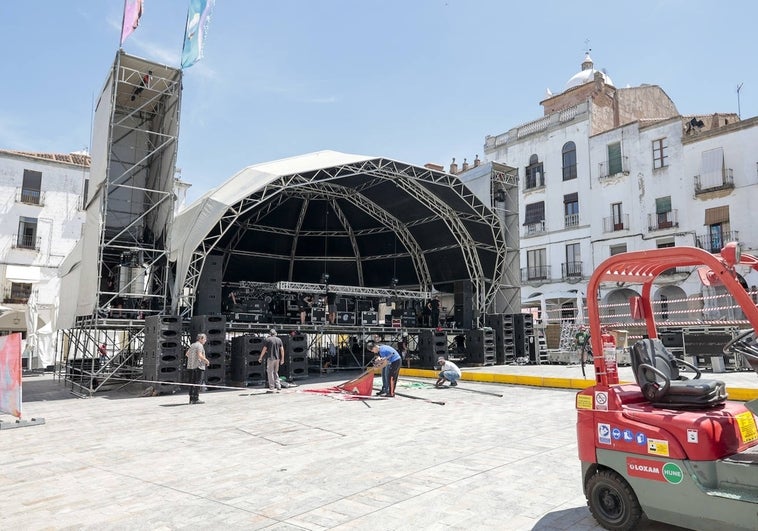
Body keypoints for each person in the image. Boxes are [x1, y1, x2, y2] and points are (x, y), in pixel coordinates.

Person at [185, 333, 209, 404]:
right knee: (198, 382)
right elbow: (199, 355)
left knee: (192, 382)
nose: (205, 341)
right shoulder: (200, 345)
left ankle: (191, 398)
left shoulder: (192, 345)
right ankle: (196, 398)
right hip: (198, 367)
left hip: (191, 366)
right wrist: (206, 361)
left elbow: (187, 354)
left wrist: (193, 359)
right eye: (205, 339)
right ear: (201, 339)